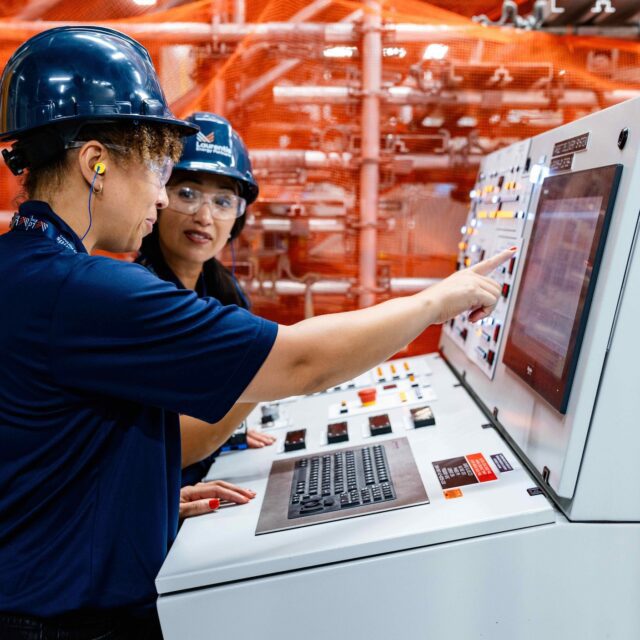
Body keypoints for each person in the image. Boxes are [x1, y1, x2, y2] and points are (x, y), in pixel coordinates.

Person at [0, 26, 514, 640]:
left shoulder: (23, 269)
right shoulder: (85, 291)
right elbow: (301, 364)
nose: (166, 199)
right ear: (96, 162)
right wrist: (437, 300)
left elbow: (49, 447)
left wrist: (138, 500)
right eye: (164, 171)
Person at [136, 112, 275, 489]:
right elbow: (167, 445)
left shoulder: (223, 290)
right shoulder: (139, 299)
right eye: (187, 193)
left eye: (223, 201)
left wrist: (224, 436)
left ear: (238, 219)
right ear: (159, 198)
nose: (204, 216)